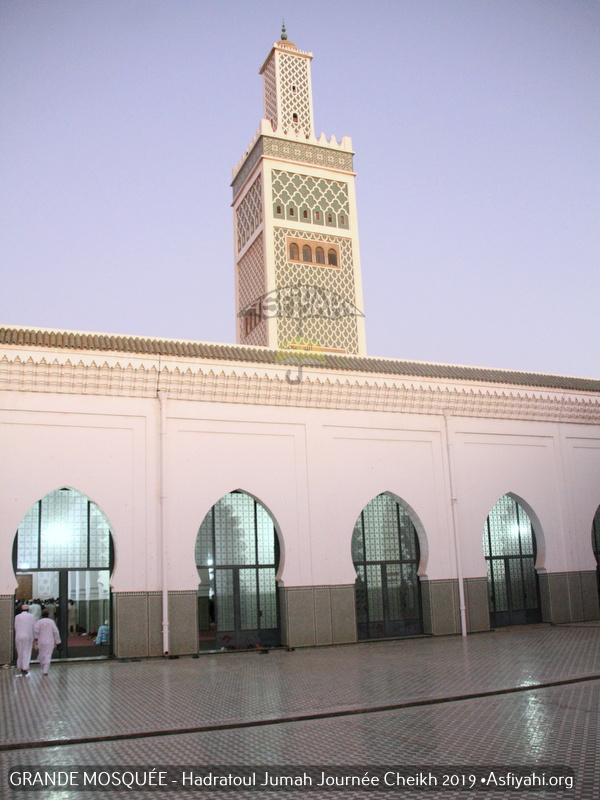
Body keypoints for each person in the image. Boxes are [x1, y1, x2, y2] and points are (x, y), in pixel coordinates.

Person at [34, 611, 61, 676]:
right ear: (48, 615)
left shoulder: (39, 622)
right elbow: (56, 632)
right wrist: (58, 642)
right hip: (50, 640)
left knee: (42, 653)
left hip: (41, 640)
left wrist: (36, 639)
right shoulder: (51, 622)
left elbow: (35, 631)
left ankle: (43, 665)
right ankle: (45, 670)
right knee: (48, 655)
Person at [14, 605, 36, 676]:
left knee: (20, 651)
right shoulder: (31, 616)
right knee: (26, 651)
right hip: (28, 636)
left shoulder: (17, 617)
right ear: (28, 609)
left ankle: (20, 666)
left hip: (19, 635)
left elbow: (16, 626)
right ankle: (25, 667)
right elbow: (34, 627)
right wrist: (35, 637)